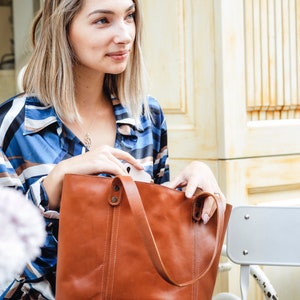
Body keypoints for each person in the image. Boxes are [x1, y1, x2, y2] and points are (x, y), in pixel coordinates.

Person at [0, 0, 226, 299]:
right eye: (103, 21)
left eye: (129, 16)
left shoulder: (147, 117)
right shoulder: (16, 126)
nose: (124, 35)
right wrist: (53, 186)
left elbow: (152, 245)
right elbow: (7, 273)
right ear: (63, 28)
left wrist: (190, 190)